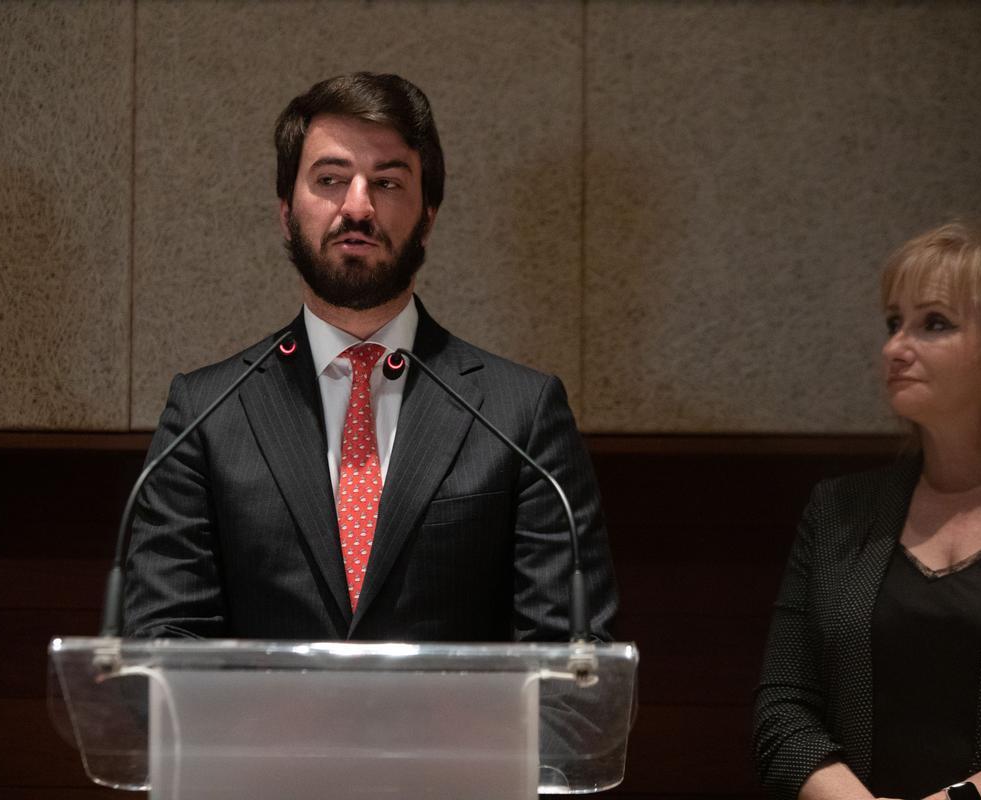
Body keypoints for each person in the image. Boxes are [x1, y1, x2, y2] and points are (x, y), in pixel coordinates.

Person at [123, 72, 616, 643]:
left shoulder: (519, 415)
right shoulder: (206, 416)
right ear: (286, 211)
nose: (357, 207)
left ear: (428, 216)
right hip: (262, 735)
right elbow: (164, 642)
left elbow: (574, 659)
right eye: (330, 179)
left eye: (386, 183)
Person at [754, 221, 981, 800]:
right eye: (894, 323)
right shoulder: (842, 508)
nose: (894, 348)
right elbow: (783, 708)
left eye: (933, 323)